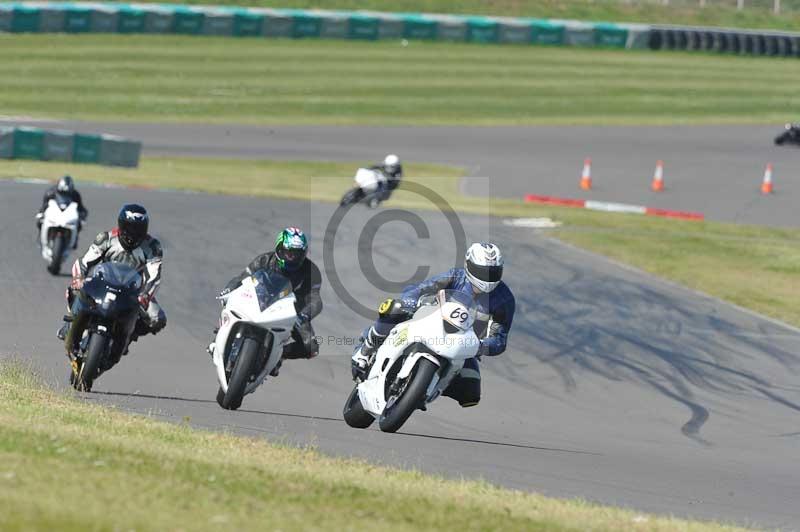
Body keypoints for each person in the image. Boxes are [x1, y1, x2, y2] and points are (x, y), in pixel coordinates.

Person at [350, 242, 514, 408]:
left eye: (493, 273)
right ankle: (365, 350)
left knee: (470, 394)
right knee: (395, 307)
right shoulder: (455, 277)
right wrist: (413, 301)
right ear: (468, 265)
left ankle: (424, 391)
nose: (487, 278)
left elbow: (499, 338)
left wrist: (480, 346)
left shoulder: (504, 299)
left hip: (462, 344)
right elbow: (420, 289)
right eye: (481, 271)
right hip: (430, 321)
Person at [211, 227, 322, 375]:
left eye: (296, 254)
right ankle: (220, 334)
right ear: (279, 249)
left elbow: (315, 299)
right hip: (260, 298)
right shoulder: (264, 260)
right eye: (289, 253)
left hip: (291, 311)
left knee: (311, 348)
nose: (292, 258)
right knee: (230, 304)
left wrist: (304, 315)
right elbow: (242, 278)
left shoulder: (311, 271)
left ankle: (280, 355)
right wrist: (228, 290)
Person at [58, 204, 166, 352]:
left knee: (158, 318)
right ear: (121, 225)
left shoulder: (153, 247)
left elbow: (154, 277)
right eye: (129, 227)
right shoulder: (106, 239)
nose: (133, 233)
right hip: (101, 282)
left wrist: (145, 295)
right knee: (73, 290)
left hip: (134, 291)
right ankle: (70, 324)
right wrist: (78, 279)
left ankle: (127, 335)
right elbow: (83, 262)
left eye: (138, 228)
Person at [36, 175, 88, 246]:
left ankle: (75, 238)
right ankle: (40, 236)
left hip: (68, 214)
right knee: (40, 221)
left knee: (79, 224)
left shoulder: (75, 195)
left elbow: (81, 208)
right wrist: (41, 213)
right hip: (54, 212)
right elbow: (44, 204)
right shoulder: (50, 192)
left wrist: (82, 216)